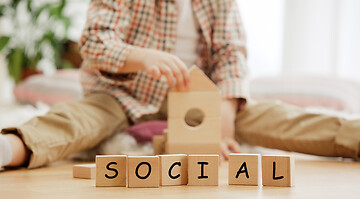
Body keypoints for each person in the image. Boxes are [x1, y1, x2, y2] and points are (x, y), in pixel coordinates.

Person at [0, 0, 359, 169]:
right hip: (122, 95)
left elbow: (231, 54)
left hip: (198, 98)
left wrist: (224, 115)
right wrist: (143, 57)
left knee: (276, 117)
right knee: (77, 119)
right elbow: (95, 42)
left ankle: (352, 136)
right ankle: (11, 147)